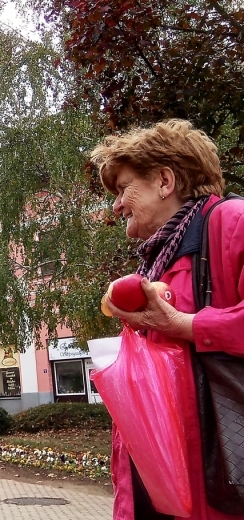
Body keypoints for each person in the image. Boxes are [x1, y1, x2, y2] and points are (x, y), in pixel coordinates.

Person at [91, 119, 244, 520]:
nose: (117, 204)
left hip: (223, 481)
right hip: (163, 479)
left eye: (124, 188)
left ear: (164, 181)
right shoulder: (160, 258)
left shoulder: (232, 223)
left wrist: (186, 326)